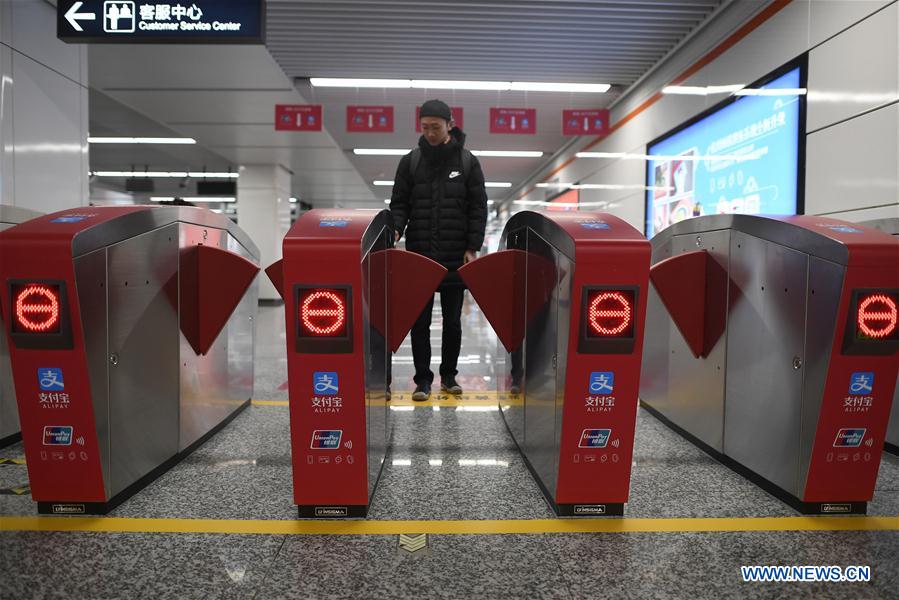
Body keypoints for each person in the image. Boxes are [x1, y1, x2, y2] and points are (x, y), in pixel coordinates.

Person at [389, 99, 488, 401]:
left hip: (455, 256)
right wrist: (395, 228)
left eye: (435, 127)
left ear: (450, 124)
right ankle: (422, 380)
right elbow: (400, 203)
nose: (430, 133)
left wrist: (473, 246)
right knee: (419, 322)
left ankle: (449, 376)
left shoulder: (467, 162)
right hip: (419, 253)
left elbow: (478, 207)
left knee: (453, 322)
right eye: (425, 127)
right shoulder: (411, 162)